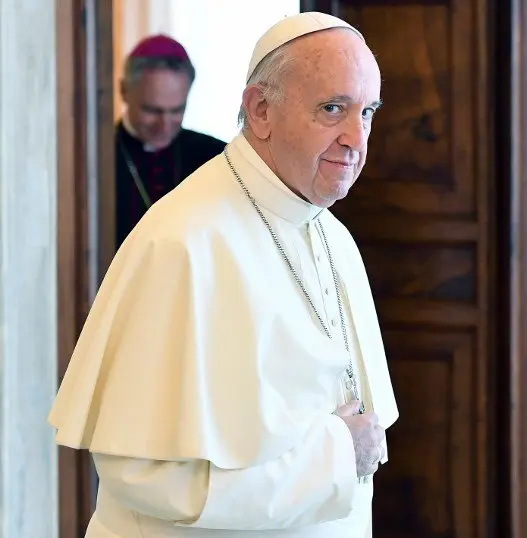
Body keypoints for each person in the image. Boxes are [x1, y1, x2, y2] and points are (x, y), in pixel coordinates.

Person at [49, 11, 399, 538]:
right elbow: (145, 477)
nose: (357, 138)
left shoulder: (334, 239)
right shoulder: (182, 242)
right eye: (333, 109)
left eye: (367, 112)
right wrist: (334, 457)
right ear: (261, 110)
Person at [116, 34, 226, 247]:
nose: (164, 125)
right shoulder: (97, 162)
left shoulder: (217, 157)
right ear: (124, 91)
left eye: (177, 110)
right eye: (151, 110)